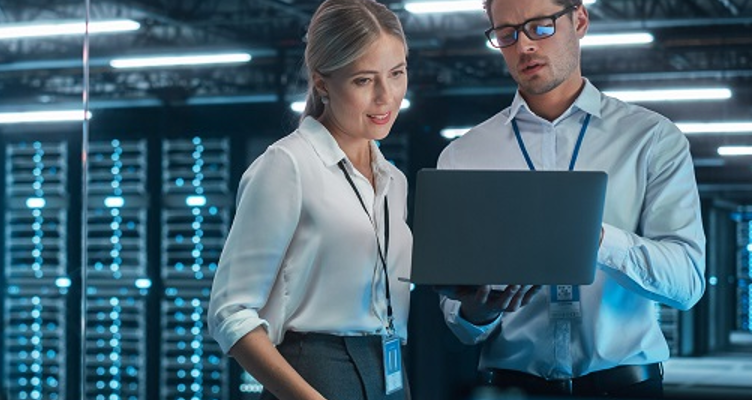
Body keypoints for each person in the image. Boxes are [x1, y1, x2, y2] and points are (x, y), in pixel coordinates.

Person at [436, 0, 707, 398]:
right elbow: (459, 322)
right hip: (512, 388)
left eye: (540, 27)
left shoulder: (651, 139)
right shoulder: (463, 155)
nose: (524, 46)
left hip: (624, 388)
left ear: (579, 20)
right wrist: (480, 312)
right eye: (507, 34)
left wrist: (594, 238)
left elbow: (687, 284)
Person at [206, 1, 412, 399]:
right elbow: (229, 313)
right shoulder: (287, 166)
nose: (387, 97)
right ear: (322, 83)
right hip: (314, 374)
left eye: (397, 74)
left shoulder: (394, 181)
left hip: (389, 369)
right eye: (364, 80)